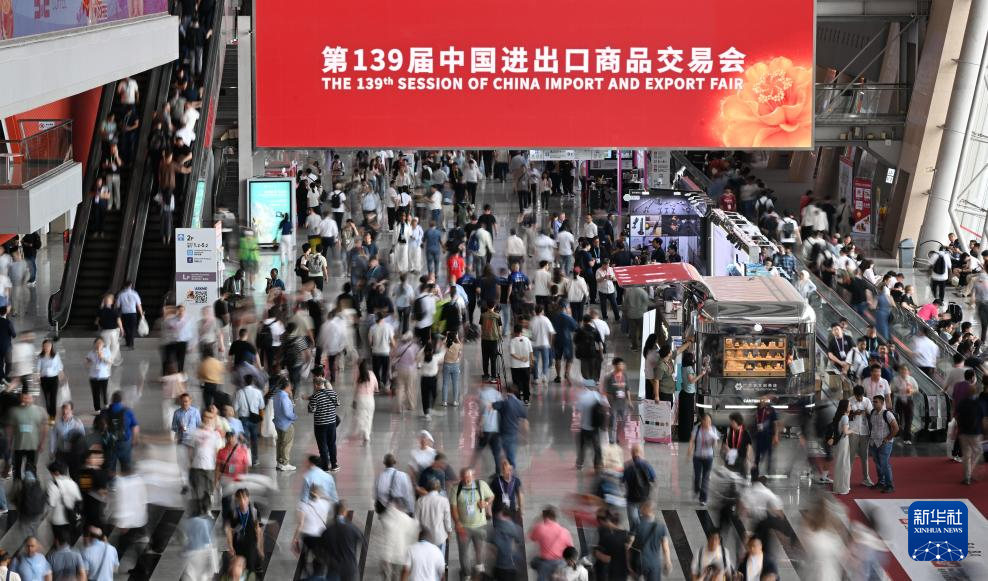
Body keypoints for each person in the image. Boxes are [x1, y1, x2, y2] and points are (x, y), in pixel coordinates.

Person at [451, 467, 494, 578]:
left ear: (473, 477)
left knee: (480, 551)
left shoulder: (481, 485)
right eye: (464, 478)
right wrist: (457, 522)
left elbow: (491, 496)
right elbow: (453, 508)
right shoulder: (456, 489)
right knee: (464, 553)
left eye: (468, 477)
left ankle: (479, 573)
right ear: (461, 477)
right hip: (463, 528)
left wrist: (486, 503)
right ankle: (467, 575)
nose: (466, 480)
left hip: (480, 526)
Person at [6, 391, 46, 480]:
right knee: (16, 468)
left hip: (32, 446)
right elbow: (11, 428)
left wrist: (41, 443)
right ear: (21, 399)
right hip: (18, 446)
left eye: (28, 398)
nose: (26, 400)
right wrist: (9, 443)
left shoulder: (39, 411)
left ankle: (31, 485)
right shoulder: (14, 411)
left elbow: (43, 428)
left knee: (31, 468)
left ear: (32, 399)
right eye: (24, 398)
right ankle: (17, 484)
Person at [630, 501, 672, 581]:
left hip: (638, 562)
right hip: (654, 564)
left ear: (647, 509)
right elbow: (665, 548)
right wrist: (668, 562)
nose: (640, 509)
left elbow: (629, 543)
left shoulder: (636, 524)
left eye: (642, 507)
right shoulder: (661, 526)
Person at [529, 507, 573, 581]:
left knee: (534, 562)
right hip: (561, 563)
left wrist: (537, 522)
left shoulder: (540, 528)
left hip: (546, 563)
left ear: (544, 517)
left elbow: (532, 537)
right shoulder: (565, 531)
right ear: (555, 518)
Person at [225, 488, 264, 574]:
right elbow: (229, 530)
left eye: (244, 498)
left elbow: (258, 530)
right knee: (239, 570)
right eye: (240, 498)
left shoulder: (254, 510)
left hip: (251, 545)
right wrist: (230, 546)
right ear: (237, 500)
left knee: (250, 569)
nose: (242, 501)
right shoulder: (233, 512)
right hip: (238, 546)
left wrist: (260, 547)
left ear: (248, 498)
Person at [307, 376, 340, 472]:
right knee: (332, 444)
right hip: (332, 423)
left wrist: (310, 403)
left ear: (315, 385)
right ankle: (334, 465)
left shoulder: (315, 396)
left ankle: (325, 467)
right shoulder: (333, 393)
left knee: (323, 446)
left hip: (320, 425)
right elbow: (338, 404)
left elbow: (312, 410)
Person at [687, 414, 719, 506]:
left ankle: (703, 498)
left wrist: (713, 439)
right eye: (706, 421)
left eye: (710, 421)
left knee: (705, 478)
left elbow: (715, 445)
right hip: (697, 457)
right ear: (702, 421)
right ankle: (696, 489)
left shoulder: (713, 429)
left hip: (708, 457)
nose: (708, 423)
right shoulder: (697, 429)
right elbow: (692, 441)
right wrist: (689, 452)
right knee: (697, 477)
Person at [869, 395, 899, 492]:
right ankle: (881, 482)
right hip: (874, 442)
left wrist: (888, 438)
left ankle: (890, 485)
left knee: (884, 464)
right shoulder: (872, 412)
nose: (874, 403)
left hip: (884, 443)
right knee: (878, 464)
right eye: (873, 402)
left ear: (882, 403)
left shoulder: (887, 414)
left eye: (876, 402)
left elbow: (896, 428)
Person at [955, 385, 985, 485]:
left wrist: (958, 427)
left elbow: (957, 415)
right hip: (975, 432)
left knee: (966, 455)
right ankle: (970, 471)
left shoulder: (962, 402)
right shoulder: (979, 403)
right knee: (978, 451)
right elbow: (983, 419)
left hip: (963, 432)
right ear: (976, 392)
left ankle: (967, 477)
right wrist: (985, 432)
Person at [622, 444, 655, 531]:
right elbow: (653, 479)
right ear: (641, 453)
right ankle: (644, 534)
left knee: (633, 521)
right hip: (645, 498)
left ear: (632, 453)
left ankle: (634, 536)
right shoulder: (647, 465)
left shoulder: (627, 466)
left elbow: (622, 480)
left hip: (631, 499)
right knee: (646, 519)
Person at [847, 385, 874, 487]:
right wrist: (854, 413)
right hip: (852, 431)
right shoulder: (849, 401)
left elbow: (872, 414)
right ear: (854, 395)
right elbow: (845, 415)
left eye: (861, 396)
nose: (860, 398)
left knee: (864, 456)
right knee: (850, 456)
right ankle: (846, 479)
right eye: (858, 396)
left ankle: (866, 479)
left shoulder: (867, 401)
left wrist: (867, 412)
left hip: (864, 431)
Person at [575, 378, 604, 471]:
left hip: (584, 427)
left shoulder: (581, 397)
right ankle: (597, 464)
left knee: (582, 447)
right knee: (597, 447)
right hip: (594, 427)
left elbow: (578, 410)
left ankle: (580, 463)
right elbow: (603, 406)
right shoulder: (597, 396)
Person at [751, 396, 779, 479]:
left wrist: (776, 435)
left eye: (764, 399)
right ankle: (755, 472)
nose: (762, 400)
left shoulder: (771, 410)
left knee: (769, 453)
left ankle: (769, 471)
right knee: (757, 454)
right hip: (758, 435)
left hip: (768, 435)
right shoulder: (755, 410)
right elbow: (754, 422)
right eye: (761, 399)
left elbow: (775, 423)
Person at [827, 399, 851, 494]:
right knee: (844, 465)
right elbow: (845, 432)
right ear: (845, 407)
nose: (851, 407)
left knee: (839, 464)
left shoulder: (839, 416)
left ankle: (838, 487)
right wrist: (852, 431)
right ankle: (843, 488)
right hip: (843, 442)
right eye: (849, 405)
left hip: (838, 443)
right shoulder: (845, 417)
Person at [352, 359, 377, 445]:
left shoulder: (358, 376)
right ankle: (367, 435)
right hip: (370, 399)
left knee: (360, 416)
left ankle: (362, 429)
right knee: (369, 417)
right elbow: (376, 388)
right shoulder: (372, 374)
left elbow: (355, 389)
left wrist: (354, 400)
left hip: (360, 398)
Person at [273, 381, 297, 471]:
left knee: (280, 443)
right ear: (286, 387)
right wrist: (294, 416)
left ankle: (279, 462)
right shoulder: (284, 397)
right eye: (290, 387)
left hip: (278, 423)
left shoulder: (277, 395)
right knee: (287, 443)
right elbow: (287, 413)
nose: (291, 388)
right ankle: (285, 463)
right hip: (286, 424)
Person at [508, 324, 534, 403]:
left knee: (516, 384)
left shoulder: (512, 341)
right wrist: (531, 362)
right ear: (521, 331)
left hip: (515, 366)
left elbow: (512, 353)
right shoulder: (527, 340)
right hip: (526, 366)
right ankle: (526, 399)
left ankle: (518, 400)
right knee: (526, 382)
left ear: (514, 331)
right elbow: (531, 352)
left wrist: (520, 358)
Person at [85, 337, 112, 412]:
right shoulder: (91, 352)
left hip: (104, 376)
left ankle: (106, 406)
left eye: (100, 343)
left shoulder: (107, 351)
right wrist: (88, 362)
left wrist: (102, 357)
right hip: (93, 376)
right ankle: (97, 409)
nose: (98, 344)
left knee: (104, 392)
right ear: (94, 344)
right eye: (97, 343)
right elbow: (87, 362)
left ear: (103, 344)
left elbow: (110, 362)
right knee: (95, 393)